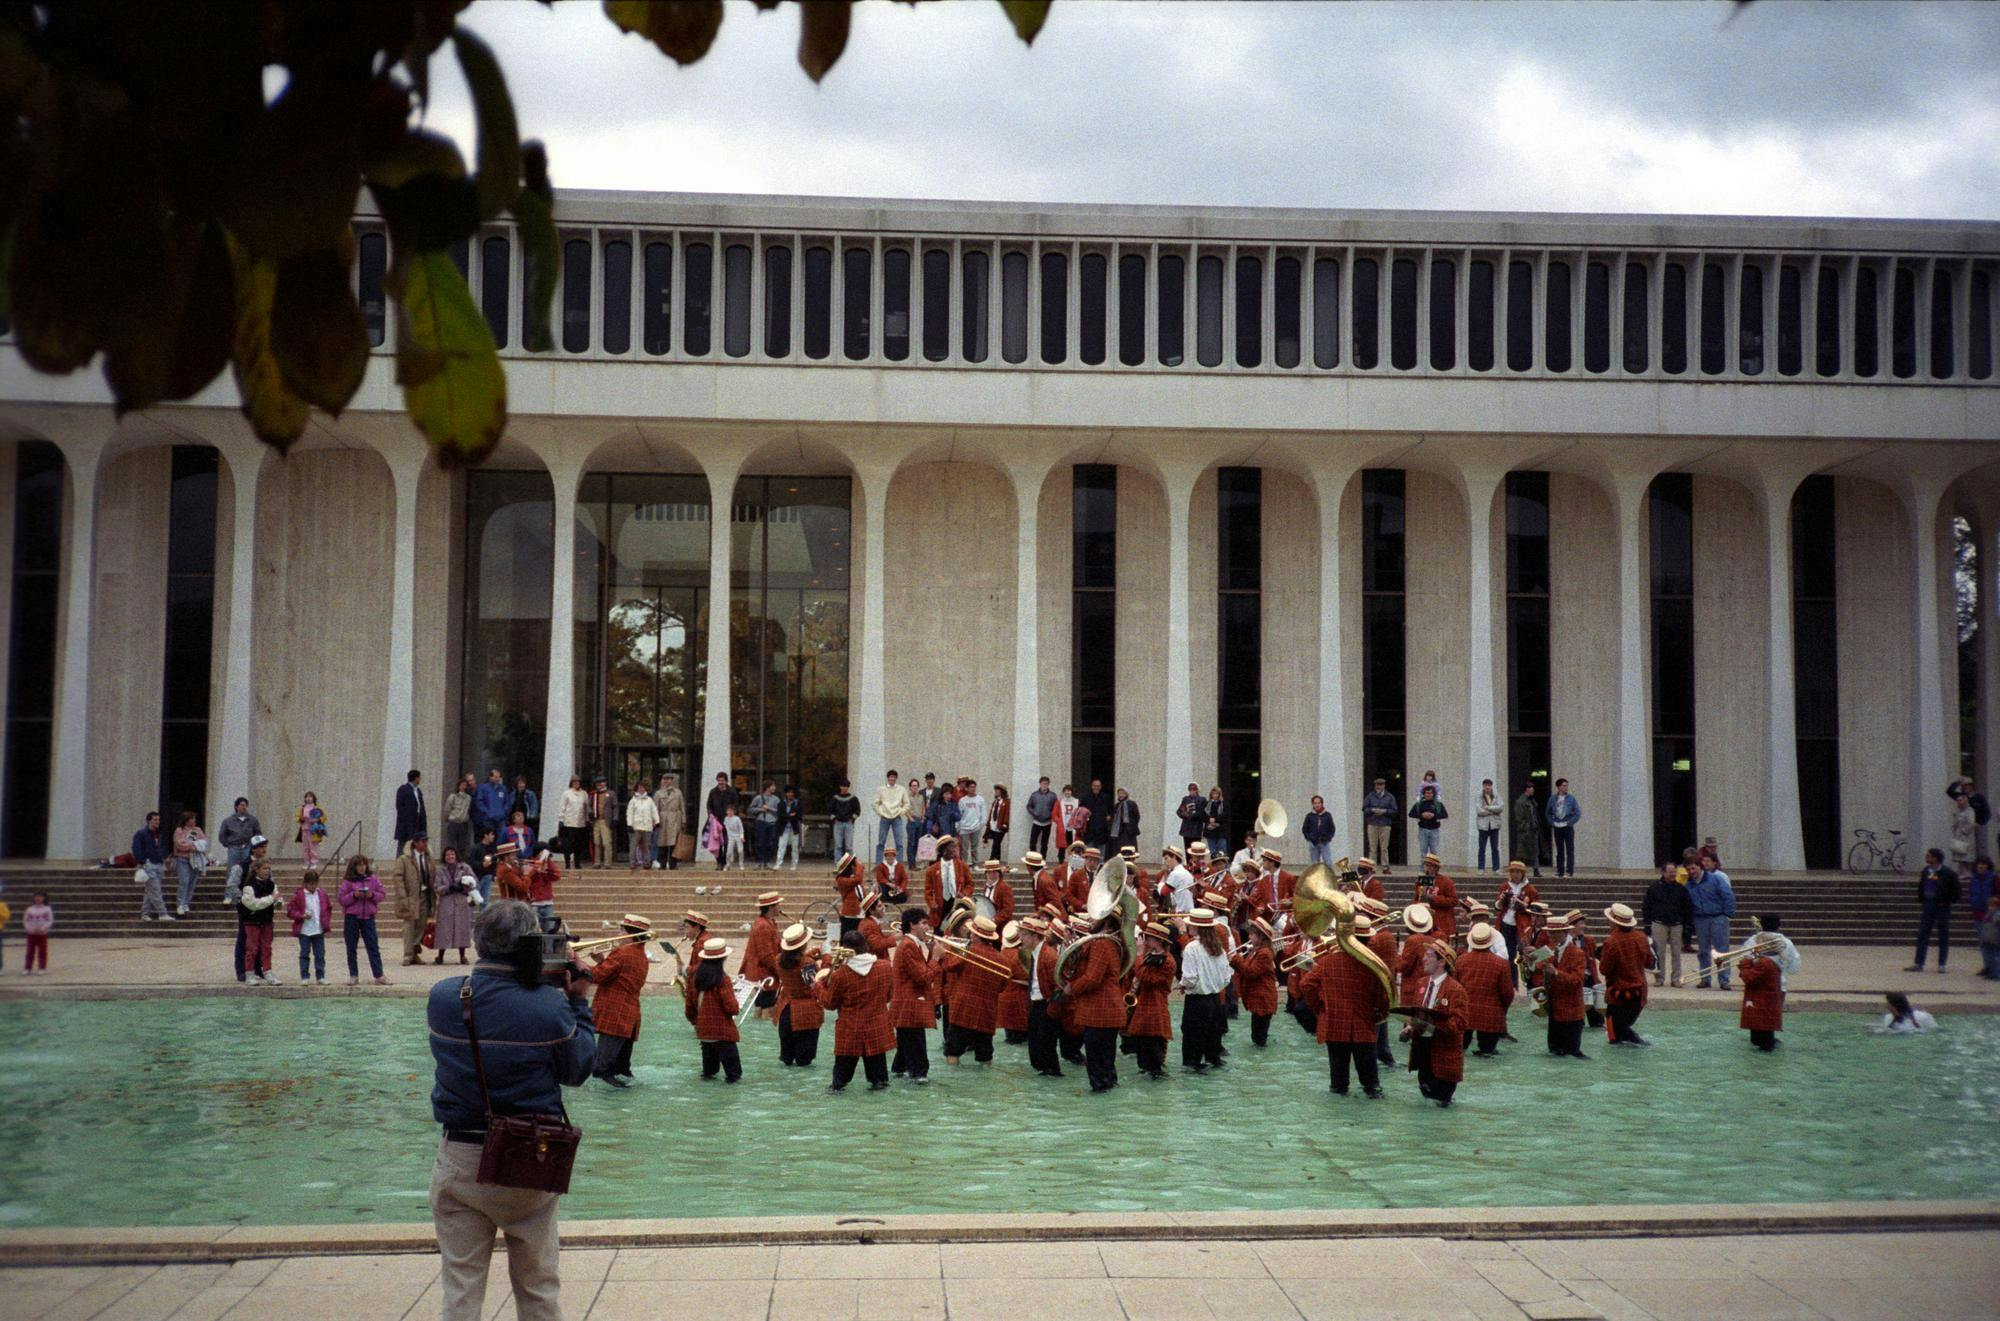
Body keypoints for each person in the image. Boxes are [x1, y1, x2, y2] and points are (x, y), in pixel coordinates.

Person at [426, 899, 594, 1321]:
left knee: (460, 1290)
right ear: (531, 945)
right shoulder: (548, 1006)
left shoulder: (444, 997)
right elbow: (577, 1070)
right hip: (528, 1155)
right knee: (538, 1287)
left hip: (459, 1154)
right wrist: (578, 1002)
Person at [1301, 911, 1389, 1098]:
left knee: (1338, 1086)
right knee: (1372, 1087)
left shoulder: (1328, 961)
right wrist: (1377, 1016)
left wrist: (1321, 1010)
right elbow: (1383, 998)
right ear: (1366, 940)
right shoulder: (1374, 965)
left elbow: (1306, 984)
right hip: (1364, 1028)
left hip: (1335, 1027)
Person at [1054, 914, 1126, 1092]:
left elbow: (1092, 978)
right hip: (1105, 1010)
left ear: (1107, 920)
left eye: (1096, 917)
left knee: (1097, 1068)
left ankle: (1101, 1110)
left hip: (1100, 1011)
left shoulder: (1101, 943)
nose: (1090, 921)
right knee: (1105, 1066)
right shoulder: (1109, 942)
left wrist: (1071, 988)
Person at [818, 928, 894, 1090]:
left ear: (846, 949)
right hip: (877, 1029)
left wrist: (817, 987)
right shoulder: (885, 966)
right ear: (866, 946)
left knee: (838, 1085)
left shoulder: (841, 974)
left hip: (850, 1031)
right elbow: (888, 997)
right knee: (880, 1082)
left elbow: (830, 1004)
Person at [587, 915, 653, 1086]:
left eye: (622, 930)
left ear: (630, 935)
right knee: (621, 1069)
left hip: (615, 1015)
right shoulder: (641, 955)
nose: (618, 933)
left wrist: (576, 961)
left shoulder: (622, 952)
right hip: (629, 1017)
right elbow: (619, 977)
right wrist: (602, 961)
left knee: (601, 1071)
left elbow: (596, 976)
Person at [1406, 941, 1468, 1106]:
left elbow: (1460, 1024)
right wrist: (1409, 1028)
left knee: (1440, 1104)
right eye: (1425, 955)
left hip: (1444, 1058)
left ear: (1442, 962)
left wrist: (1434, 1025)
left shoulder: (1456, 990)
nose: (1424, 959)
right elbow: (1415, 1014)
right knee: (1426, 1101)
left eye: (1430, 956)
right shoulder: (1421, 984)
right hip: (1422, 1054)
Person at [940, 915, 1007, 1065]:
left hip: (963, 1011)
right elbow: (1002, 987)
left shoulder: (968, 952)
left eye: (972, 932)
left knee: (953, 1052)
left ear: (975, 935)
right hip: (987, 1013)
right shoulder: (1002, 959)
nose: (970, 934)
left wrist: (943, 951)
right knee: (985, 1056)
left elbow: (949, 967)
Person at [1177, 909, 1232, 1071]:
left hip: (1197, 1002)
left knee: (1192, 1051)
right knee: (1213, 1050)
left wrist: (1182, 985)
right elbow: (1226, 978)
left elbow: (1190, 978)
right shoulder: (1218, 948)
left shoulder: (1191, 948)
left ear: (1196, 927)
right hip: (1216, 1001)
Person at [889, 907, 939, 1082]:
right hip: (909, 1006)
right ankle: (916, 1075)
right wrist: (936, 958)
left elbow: (921, 971)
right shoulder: (909, 945)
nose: (928, 928)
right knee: (918, 1061)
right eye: (924, 923)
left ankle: (898, 1070)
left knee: (905, 1045)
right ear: (912, 925)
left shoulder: (910, 944)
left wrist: (932, 952)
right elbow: (923, 978)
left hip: (905, 1004)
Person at [682, 937, 743, 1082]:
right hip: (723, 1034)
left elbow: (689, 1009)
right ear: (723, 958)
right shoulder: (723, 980)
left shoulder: (695, 980)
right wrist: (737, 1007)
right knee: (734, 1075)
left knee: (708, 1074)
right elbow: (731, 1008)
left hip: (704, 1033)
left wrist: (698, 1023)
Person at [1599, 903, 1654, 1045]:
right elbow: (1649, 962)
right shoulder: (1641, 937)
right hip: (1640, 992)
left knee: (1615, 1035)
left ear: (1613, 922)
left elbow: (1604, 970)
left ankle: (1642, 1044)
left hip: (1619, 993)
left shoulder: (1611, 941)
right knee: (1623, 1030)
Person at [1456, 922, 1513, 1055]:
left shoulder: (1460, 961)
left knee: (1459, 1051)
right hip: (1491, 1016)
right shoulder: (1501, 964)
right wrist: (1502, 1009)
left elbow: (1454, 989)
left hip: (1465, 1013)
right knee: (1488, 1052)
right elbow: (1508, 993)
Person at [772, 923, 824, 1067]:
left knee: (787, 1059)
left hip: (785, 1012)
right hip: (805, 1014)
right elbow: (817, 983)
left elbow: (793, 962)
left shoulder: (778, 960)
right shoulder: (807, 963)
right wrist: (826, 959)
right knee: (804, 1062)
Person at [1542, 912, 1590, 1059]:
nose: (1552, 937)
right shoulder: (1549, 949)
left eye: (1555, 933)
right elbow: (1536, 967)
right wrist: (1530, 958)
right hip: (1554, 1011)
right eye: (1550, 933)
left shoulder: (1577, 953)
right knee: (1554, 1051)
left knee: (1572, 1053)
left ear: (1564, 932)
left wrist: (1556, 973)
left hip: (1572, 1012)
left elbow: (1577, 980)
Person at [1907, 848, 1960, 973]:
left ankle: (1942, 964)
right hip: (1929, 905)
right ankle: (1919, 963)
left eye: (1929, 856)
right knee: (1923, 934)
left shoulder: (1948, 873)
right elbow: (1922, 886)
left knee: (1943, 935)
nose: (1926, 857)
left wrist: (1947, 901)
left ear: (1936, 858)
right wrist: (1922, 899)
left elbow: (1956, 891)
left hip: (1942, 907)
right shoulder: (1926, 871)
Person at [1688, 857, 1738, 988]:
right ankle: (1705, 978)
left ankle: (1724, 980)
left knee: (1721, 950)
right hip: (1700, 919)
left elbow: (1728, 895)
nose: (1691, 871)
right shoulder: (1689, 885)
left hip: (1718, 917)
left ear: (1700, 867)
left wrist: (1728, 913)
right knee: (1703, 951)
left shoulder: (1715, 879)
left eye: (1693, 868)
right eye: (1689, 869)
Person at [339, 855, 388, 985]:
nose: (361, 868)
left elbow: (382, 894)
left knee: (373, 946)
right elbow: (342, 899)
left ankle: (379, 974)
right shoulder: (348, 882)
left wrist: (371, 895)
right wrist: (354, 895)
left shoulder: (373, 880)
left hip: (368, 917)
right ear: (354, 867)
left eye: (363, 865)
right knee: (351, 947)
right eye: (358, 865)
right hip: (352, 917)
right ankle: (353, 975)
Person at [1231, 918, 1280, 1047]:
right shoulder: (1255, 951)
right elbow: (1244, 970)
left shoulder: (1264, 953)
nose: (1249, 936)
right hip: (1257, 999)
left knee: (1259, 1038)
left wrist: (1236, 959)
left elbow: (1251, 972)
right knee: (1257, 1035)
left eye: (1252, 934)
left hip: (1263, 999)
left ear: (1261, 936)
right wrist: (1235, 962)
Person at [1641, 861, 1691, 987]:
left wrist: (1686, 925)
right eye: (1670, 872)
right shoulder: (1653, 888)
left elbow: (1686, 908)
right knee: (1659, 953)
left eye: (1674, 872)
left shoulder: (1681, 889)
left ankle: (1676, 979)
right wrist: (1647, 924)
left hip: (1676, 924)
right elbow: (1646, 907)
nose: (1672, 874)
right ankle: (1659, 978)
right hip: (1659, 924)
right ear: (1663, 872)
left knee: (1676, 953)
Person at [741, 891, 785, 1022]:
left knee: (760, 1006)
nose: (779, 908)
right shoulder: (763, 926)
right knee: (767, 1007)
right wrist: (781, 971)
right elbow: (766, 956)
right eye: (778, 905)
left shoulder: (767, 922)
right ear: (771, 907)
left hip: (763, 973)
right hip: (764, 973)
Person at [1737, 933, 1785, 1051]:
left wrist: (1744, 964)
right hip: (1764, 1001)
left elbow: (1748, 977)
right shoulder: (1769, 960)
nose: (1756, 946)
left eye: (1758, 944)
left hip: (1763, 1002)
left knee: (1762, 1039)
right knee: (1758, 1036)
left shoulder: (1765, 962)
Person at [285, 869, 332, 984]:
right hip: (304, 930)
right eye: (311, 884)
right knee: (304, 953)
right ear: (305, 883)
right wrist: (301, 916)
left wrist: (325, 920)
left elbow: (328, 908)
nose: (313, 886)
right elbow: (290, 911)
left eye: (315, 883)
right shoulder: (299, 895)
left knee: (320, 954)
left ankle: (320, 976)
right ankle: (304, 976)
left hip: (318, 929)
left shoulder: (322, 894)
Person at [396, 835, 437, 967]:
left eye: (426, 841)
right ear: (415, 843)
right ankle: (407, 955)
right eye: (422, 841)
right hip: (411, 896)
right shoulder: (404, 859)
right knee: (409, 926)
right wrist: (403, 896)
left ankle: (415, 952)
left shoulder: (429, 859)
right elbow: (398, 878)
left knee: (420, 925)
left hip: (425, 895)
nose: (425, 844)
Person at [433, 846, 478, 966]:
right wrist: (448, 888)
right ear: (444, 857)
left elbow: (474, 881)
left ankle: (462, 956)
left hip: (461, 900)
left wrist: (464, 887)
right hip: (446, 901)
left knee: (461, 927)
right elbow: (436, 887)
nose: (450, 857)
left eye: (452, 854)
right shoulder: (440, 869)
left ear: (456, 855)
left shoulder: (465, 867)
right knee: (444, 928)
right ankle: (440, 955)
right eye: (447, 855)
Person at [238, 858, 279, 984]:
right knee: (252, 948)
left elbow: (277, 897)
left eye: (268, 868)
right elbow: (253, 904)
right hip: (252, 921)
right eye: (264, 868)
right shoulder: (249, 887)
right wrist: (271, 899)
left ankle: (268, 971)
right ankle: (249, 973)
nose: (267, 871)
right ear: (257, 870)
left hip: (266, 920)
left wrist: (278, 902)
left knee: (267, 947)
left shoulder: (271, 884)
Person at [1493, 859, 1538, 970]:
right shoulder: (1504, 886)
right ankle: (1512, 982)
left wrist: (1524, 905)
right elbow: (1497, 906)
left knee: (1524, 951)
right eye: (1513, 872)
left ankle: (1526, 972)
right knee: (1508, 953)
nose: (1515, 875)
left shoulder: (1530, 889)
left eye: (1518, 872)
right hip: (1506, 922)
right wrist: (1501, 900)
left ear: (1523, 873)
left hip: (1522, 925)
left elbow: (1537, 908)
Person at [133, 812, 171, 922]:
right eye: (155, 820)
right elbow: (137, 849)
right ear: (149, 821)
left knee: (150, 891)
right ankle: (162, 913)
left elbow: (160, 847)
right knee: (155, 889)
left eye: (158, 819)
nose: (157, 822)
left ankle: (145, 913)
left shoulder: (158, 833)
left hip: (158, 864)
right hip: (148, 864)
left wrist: (163, 858)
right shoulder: (141, 833)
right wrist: (143, 861)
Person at [1414, 853, 1459, 942]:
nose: (1428, 868)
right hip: (1424, 920)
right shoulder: (1422, 880)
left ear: (1436, 868)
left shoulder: (1446, 881)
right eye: (1426, 865)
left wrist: (1433, 899)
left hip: (1441, 921)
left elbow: (1454, 901)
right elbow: (1416, 898)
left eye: (1431, 866)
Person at [217, 798, 262, 886]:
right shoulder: (228, 821)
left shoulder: (253, 820)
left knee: (246, 869)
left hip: (247, 847)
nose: (244, 807)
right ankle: (229, 894)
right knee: (232, 870)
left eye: (245, 805)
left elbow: (257, 833)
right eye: (241, 805)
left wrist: (254, 847)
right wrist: (228, 844)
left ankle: (244, 890)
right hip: (234, 847)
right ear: (236, 806)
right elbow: (222, 835)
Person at [172, 809, 208, 916]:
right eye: (192, 819)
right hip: (182, 859)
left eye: (194, 819)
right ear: (186, 820)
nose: (194, 821)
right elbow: (179, 844)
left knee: (192, 882)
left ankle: (186, 903)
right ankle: (180, 904)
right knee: (184, 881)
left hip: (195, 859)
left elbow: (204, 841)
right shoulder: (179, 830)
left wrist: (197, 846)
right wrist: (192, 846)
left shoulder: (198, 830)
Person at [1947, 775, 1991, 859]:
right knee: (1962, 852)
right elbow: (1949, 792)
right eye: (1963, 786)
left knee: (1976, 849)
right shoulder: (1962, 796)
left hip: (1975, 826)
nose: (1964, 787)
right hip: (1963, 828)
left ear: (1971, 786)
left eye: (1966, 785)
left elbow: (1987, 813)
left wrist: (1978, 823)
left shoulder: (1980, 798)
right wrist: (1957, 782)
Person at [1546, 778, 1580, 877]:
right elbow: (1548, 812)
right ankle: (1559, 870)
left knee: (1570, 849)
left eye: (1566, 786)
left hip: (1567, 826)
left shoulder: (1571, 798)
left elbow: (1577, 813)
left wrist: (1569, 822)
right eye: (1564, 786)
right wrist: (1552, 823)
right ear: (1559, 787)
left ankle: (1569, 870)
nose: (1566, 788)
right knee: (1559, 849)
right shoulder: (1553, 799)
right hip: (1557, 826)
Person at [1362, 778, 1397, 872]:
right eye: (1377, 785)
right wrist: (1372, 810)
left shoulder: (1390, 797)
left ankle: (1385, 866)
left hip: (1385, 824)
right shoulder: (1370, 796)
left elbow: (1394, 810)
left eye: (1381, 784)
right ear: (1375, 786)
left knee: (1384, 847)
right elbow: (1364, 809)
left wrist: (1384, 811)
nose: (1379, 786)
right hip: (1372, 823)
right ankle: (1371, 867)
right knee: (1372, 847)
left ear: (1384, 785)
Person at [554, 777, 588, 871]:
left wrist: (587, 820)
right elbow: (562, 807)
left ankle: (577, 863)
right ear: (571, 783)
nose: (577, 783)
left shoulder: (584, 794)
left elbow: (586, 808)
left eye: (578, 782)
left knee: (578, 844)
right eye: (575, 782)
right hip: (569, 823)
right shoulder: (566, 793)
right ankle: (567, 863)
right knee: (568, 845)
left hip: (580, 823)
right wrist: (561, 820)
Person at [1407, 787, 1447, 865]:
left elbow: (1445, 815)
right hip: (1423, 829)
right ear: (1424, 794)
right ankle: (1423, 871)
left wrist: (1434, 815)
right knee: (1423, 851)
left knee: (1434, 851)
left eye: (1430, 793)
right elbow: (1411, 814)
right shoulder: (1419, 804)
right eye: (1427, 793)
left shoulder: (1438, 804)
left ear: (1433, 794)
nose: (1429, 795)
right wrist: (1422, 815)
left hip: (1434, 830)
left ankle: (1433, 871)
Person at [654, 775, 686, 871]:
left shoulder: (678, 793)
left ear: (672, 781)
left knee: (674, 843)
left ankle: (673, 864)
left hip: (675, 819)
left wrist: (683, 821)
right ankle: (662, 864)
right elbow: (655, 808)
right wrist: (655, 821)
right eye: (665, 779)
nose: (667, 781)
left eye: (669, 779)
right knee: (662, 843)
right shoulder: (658, 793)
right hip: (662, 819)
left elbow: (682, 807)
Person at [1511, 782, 1543, 878]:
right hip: (1526, 831)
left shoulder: (1532, 801)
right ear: (1527, 789)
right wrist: (1525, 827)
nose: (1533, 790)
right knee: (1522, 852)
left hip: (1534, 829)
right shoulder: (1521, 802)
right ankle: (1519, 871)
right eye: (1531, 788)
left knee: (1535, 851)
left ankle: (1536, 869)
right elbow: (1519, 818)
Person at [625, 780, 659, 871]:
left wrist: (657, 821)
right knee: (633, 846)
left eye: (643, 787)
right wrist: (629, 824)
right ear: (637, 788)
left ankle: (647, 863)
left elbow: (654, 811)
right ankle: (632, 863)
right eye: (639, 787)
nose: (641, 789)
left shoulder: (649, 800)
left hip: (647, 827)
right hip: (636, 827)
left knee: (647, 846)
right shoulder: (633, 800)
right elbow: (629, 813)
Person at [472, 768, 511, 845]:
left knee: (502, 837)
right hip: (488, 819)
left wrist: (504, 812)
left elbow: (507, 802)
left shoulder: (503, 788)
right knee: (489, 838)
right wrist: (486, 812)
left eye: (498, 777)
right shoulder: (483, 788)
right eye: (495, 777)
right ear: (490, 777)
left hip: (500, 819)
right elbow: (479, 802)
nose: (497, 779)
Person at [746, 781, 780, 867]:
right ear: (767, 787)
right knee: (760, 842)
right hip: (761, 822)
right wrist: (760, 809)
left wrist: (770, 809)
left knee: (770, 843)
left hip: (772, 823)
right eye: (773, 786)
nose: (774, 788)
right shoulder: (758, 798)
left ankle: (767, 861)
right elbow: (750, 809)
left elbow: (780, 811)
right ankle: (758, 861)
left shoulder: (776, 799)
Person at [395, 769, 428, 854]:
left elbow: (420, 805)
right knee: (403, 844)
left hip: (417, 822)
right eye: (419, 778)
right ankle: (400, 862)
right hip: (406, 822)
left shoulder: (418, 790)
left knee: (416, 844)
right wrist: (406, 818)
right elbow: (399, 806)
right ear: (415, 778)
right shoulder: (403, 789)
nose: (420, 780)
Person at [1872, 992, 1938, 1034]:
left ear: (1894, 1008)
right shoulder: (1924, 1016)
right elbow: (1935, 1031)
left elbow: (1888, 1031)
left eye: (1889, 1005)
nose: (1886, 1006)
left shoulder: (1888, 1018)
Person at [590, 777, 620, 868]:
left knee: (606, 843)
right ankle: (597, 862)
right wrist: (590, 813)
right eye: (598, 782)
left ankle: (607, 863)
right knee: (596, 843)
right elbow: (588, 805)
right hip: (596, 821)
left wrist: (615, 819)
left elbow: (615, 807)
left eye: (602, 782)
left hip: (605, 821)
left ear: (605, 783)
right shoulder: (593, 794)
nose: (600, 784)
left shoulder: (610, 793)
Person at [1023, 777, 1057, 857]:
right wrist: (1034, 813)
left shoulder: (1053, 796)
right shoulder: (1034, 795)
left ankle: (1043, 861)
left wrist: (1051, 815)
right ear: (1040, 784)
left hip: (1047, 823)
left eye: (1046, 783)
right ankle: (1033, 860)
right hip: (1036, 822)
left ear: (1048, 784)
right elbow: (1028, 806)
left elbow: (1055, 808)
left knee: (1044, 844)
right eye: (1043, 783)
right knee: (1032, 842)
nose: (1044, 785)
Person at [954, 781, 987, 864]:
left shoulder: (980, 799)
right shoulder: (962, 800)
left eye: (974, 787)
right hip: (964, 828)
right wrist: (958, 827)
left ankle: (975, 863)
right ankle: (964, 864)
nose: (973, 789)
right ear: (967, 788)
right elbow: (959, 815)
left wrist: (981, 825)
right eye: (971, 787)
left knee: (974, 848)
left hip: (976, 827)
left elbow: (983, 813)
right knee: (964, 849)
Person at [829, 779, 861, 862]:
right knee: (838, 846)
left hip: (848, 824)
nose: (844, 788)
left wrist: (852, 818)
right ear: (840, 787)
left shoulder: (853, 798)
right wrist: (834, 819)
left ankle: (849, 865)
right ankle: (838, 865)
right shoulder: (835, 798)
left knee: (849, 846)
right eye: (843, 786)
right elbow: (830, 810)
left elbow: (857, 811)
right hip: (838, 823)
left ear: (848, 787)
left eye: (846, 786)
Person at [1474, 780, 1502, 873]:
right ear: (1483, 786)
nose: (1487, 787)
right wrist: (1493, 810)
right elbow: (1479, 811)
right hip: (1483, 826)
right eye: (1485, 785)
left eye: (1489, 785)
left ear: (1491, 786)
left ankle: (1496, 868)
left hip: (1494, 825)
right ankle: (1481, 868)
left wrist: (1488, 808)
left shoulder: (1496, 795)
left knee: (1495, 848)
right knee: (1482, 848)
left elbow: (1500, 807)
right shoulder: (1479, 796)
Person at [444, 775, 475, 860]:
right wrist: (447, 818)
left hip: (463, 823)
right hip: (454, 822)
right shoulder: (453, 796)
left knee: (462, 845)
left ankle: (460, 860)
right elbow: (447, 809)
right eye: (462, 785)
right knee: (450, 844)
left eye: (465, 785)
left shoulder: (468, 798)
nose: (463, 787)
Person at [297, 791, 328, 872]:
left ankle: (314, 862)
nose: (308, 798)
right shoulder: (302, 808)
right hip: (305, 829)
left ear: (313, 798)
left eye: (310, 797)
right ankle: (306, 862)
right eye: (307, 797)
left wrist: (317, 819)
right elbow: (297, 817)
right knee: (305, 847)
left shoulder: (317, 807)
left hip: (314, 830)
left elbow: (324, 816)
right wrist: (301, 818)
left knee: (313, 847)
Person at [1300, 795, 1335, 866]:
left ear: (1322, 803)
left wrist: (1329, 837)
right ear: (1313, 804)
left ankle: (1328, 876)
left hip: (1324, 842)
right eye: (1315, 803)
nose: (1317, 805)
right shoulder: (1309, 816)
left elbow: (1332, 828)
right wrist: (1309, 838)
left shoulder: (1327, 815)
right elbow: (1304, 829)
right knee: (1315, 863)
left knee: (1328, 862)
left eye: (1318, 803)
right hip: (1313, 843)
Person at [776, 785, 804, 870]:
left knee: (795, 847)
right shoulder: (781, 803)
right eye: (788, 792)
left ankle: (794, 864)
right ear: (785, 793)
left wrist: (788, 816)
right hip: (783, 828)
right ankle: (778, 863)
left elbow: (799, 816)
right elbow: (780, 816)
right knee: (781, 846)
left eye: (792, 792)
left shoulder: (797, 803)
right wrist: (790, 815)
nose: (790, 794)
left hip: (794, 828)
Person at [983, 784, 1010, 863]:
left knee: (996, 843)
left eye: (997, 790)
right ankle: (997, 860)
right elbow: (992, 813)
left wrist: (1005, 824)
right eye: (995, 790)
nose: (996, 792)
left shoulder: (1006, 802)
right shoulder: (995, 801)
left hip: (1000, 826)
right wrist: (988, 823)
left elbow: (1007, 813)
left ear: (1002, 792)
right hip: (993, 825)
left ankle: (991, 859)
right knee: (997, 844)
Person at [1109, 786, 1140, 853]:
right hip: (1119, 832)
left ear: (1126, 794)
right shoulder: (1117, 806)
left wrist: (1131, 825)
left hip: (1129, 831)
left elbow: (1137, 816)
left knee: (1129, 849)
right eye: (1119, 793)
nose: (1121, 795)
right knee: (1119, 849)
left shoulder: (1132, 804)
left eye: (1123, 793)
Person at [510, 775, 541, 842]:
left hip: (526, 817)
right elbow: (510, 805)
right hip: (515, 817)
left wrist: (532, 816)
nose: (522, 785)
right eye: (520, 783)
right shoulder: (513, 794)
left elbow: (534, 805)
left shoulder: (530, 794)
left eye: (523, 783)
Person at [722, 805, 745, 870]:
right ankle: (728, 864)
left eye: (731, 811)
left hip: (737, 836)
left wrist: (742, 836)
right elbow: (724, 827)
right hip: (730, 837)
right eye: (728, 811)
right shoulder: (726, 819)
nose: (729, 812)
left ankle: (741, 863)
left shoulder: (737, 819)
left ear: (734, 812)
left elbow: (741, 828)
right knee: (728, 852)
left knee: (740, 850)